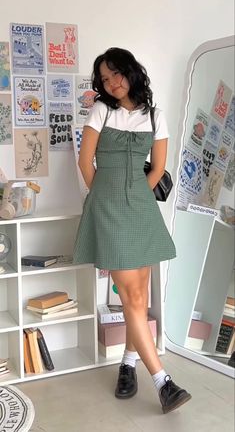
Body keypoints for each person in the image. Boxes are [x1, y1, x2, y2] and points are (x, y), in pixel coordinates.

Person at [73, 47, 192, 414]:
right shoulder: (101, 110)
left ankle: (127, 364)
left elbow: (157, 167)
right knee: (130, 295)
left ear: (131, 72)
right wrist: (104, 198)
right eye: (105, 79)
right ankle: (163, 382)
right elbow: (85, 161)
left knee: (138, 294)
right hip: (109, 209)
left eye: (116, 75)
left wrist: (136, 194)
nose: (111, 83)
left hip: (140, 210)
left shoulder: (155, 116)